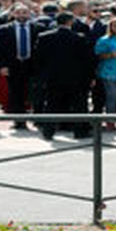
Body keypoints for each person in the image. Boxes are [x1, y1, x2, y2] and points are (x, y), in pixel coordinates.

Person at [34, 11, 93, 140]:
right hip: (75, 77)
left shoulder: (44, 37)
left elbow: (38, 59)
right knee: (78, 105)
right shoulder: (79, 37)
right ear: (70, 22)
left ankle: (48, 131)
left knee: (51, 104)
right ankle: (80, 131)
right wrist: (89, 77)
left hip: (52, 77)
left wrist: (41, 76)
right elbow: (86, 60)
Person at [0, 4, 37, 129]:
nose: (22, 15)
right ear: (13, 14)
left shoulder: (37, 28)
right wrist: (2, 66)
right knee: (16, 93)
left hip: (32, 65)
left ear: (29, 14)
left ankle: (38, 120)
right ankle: (19, 121)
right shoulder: (4, 29)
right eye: (19, 12)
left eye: (25, 12)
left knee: (34, 92)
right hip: (13, 65)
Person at [94, 16, 116, 129]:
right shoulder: (104, 40)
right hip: (109, 72)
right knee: (112, 96)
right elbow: (97, 55)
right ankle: (110, 121)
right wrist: (110, 55)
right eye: (115, 25)